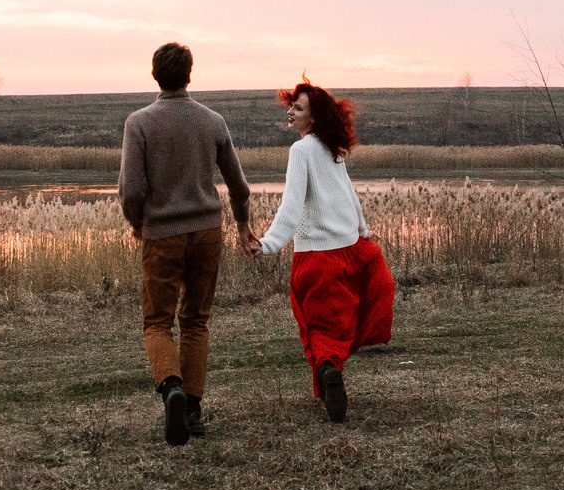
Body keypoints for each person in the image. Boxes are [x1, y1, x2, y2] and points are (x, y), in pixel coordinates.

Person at [119, 42, 251, 447]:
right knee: (196, 319)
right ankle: (192, 412)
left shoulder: (139, 123)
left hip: (162, 234)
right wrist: (243, 225)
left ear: (155, 75)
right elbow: (238, 186)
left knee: (158, 321)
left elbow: (131, 189)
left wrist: (137, 222)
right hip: (208, 232)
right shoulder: (213, 121)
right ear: (189, 75)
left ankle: (171, 387)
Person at [248, 80, 394, 422]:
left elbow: (292, 204)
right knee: (341, 322)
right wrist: (362, 230)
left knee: (318, 327)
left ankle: (329, 371)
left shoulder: (302, 151)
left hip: (317, 257)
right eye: (291, 106)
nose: (290, 112)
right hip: (352, 252)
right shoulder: (332, 149)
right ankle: (331, 372)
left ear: (312, 119)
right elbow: (349, 194)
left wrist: (268, 244)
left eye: (298, 109)